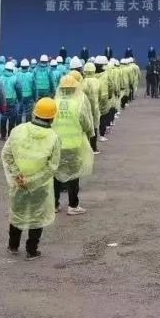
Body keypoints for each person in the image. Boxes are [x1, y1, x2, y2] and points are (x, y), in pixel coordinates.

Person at [1, 97, 61, 260]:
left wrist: (17, 176)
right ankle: (31, 250)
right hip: (40, 186)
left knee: (18, 212)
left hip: (18, 182)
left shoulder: (18, 130)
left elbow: (7, 154)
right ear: (52, 117)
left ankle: (13, 245)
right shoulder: (53, 137)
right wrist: (32, 181)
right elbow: (52, 166)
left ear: (35, 113)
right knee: (37, 216)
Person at [52, 74, 95, 214]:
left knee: (55, 175)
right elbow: (86, 123)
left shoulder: (54, 103)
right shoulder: (78, 103)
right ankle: (73, 205)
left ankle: (54, 204)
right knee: (74, 176)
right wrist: (89, 133)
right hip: (74, 144)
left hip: (56, 144)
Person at [0, 61, 22, 140]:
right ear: (12, 69)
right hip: (12, 101)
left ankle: (2, 136)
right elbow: (19, 90)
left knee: (3, 118)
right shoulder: (15, 79)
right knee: (12, 119)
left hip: (2, 101)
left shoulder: (0, 78)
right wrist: (19, 99)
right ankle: (10, 136)